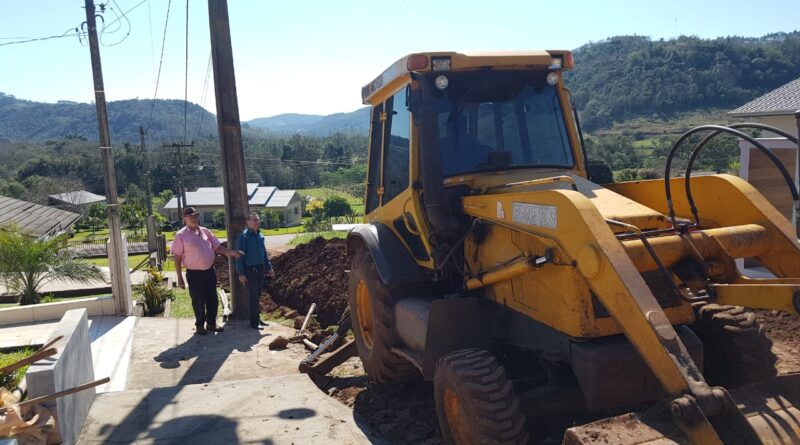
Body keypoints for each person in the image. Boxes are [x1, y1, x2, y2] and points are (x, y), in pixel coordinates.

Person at [173, 207, 242, 335]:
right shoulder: (181, 235)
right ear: (184, 219)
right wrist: (179, 277)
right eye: (190, 216)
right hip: (194, 273)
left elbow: (217, 247)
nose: (194, 218)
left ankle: (211, 323)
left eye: (195, 216)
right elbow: (176, 257)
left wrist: (231, 252)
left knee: (212, 299)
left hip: (209, 271)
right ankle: (200, 325)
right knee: (198, 299)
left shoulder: (205, 231)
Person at [235, 212, 275, 329]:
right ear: (247, 222)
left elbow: (264, 254)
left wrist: (269, 267)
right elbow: (239, 256)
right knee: (253, 295)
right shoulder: (243, 236)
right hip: (250, 270)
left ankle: (258, 319)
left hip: (260, 268)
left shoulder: (260, 235)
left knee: (257, 294)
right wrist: (241, 274)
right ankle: (254, 322)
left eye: (258, 220)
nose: (257, 222)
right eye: (254, 220)